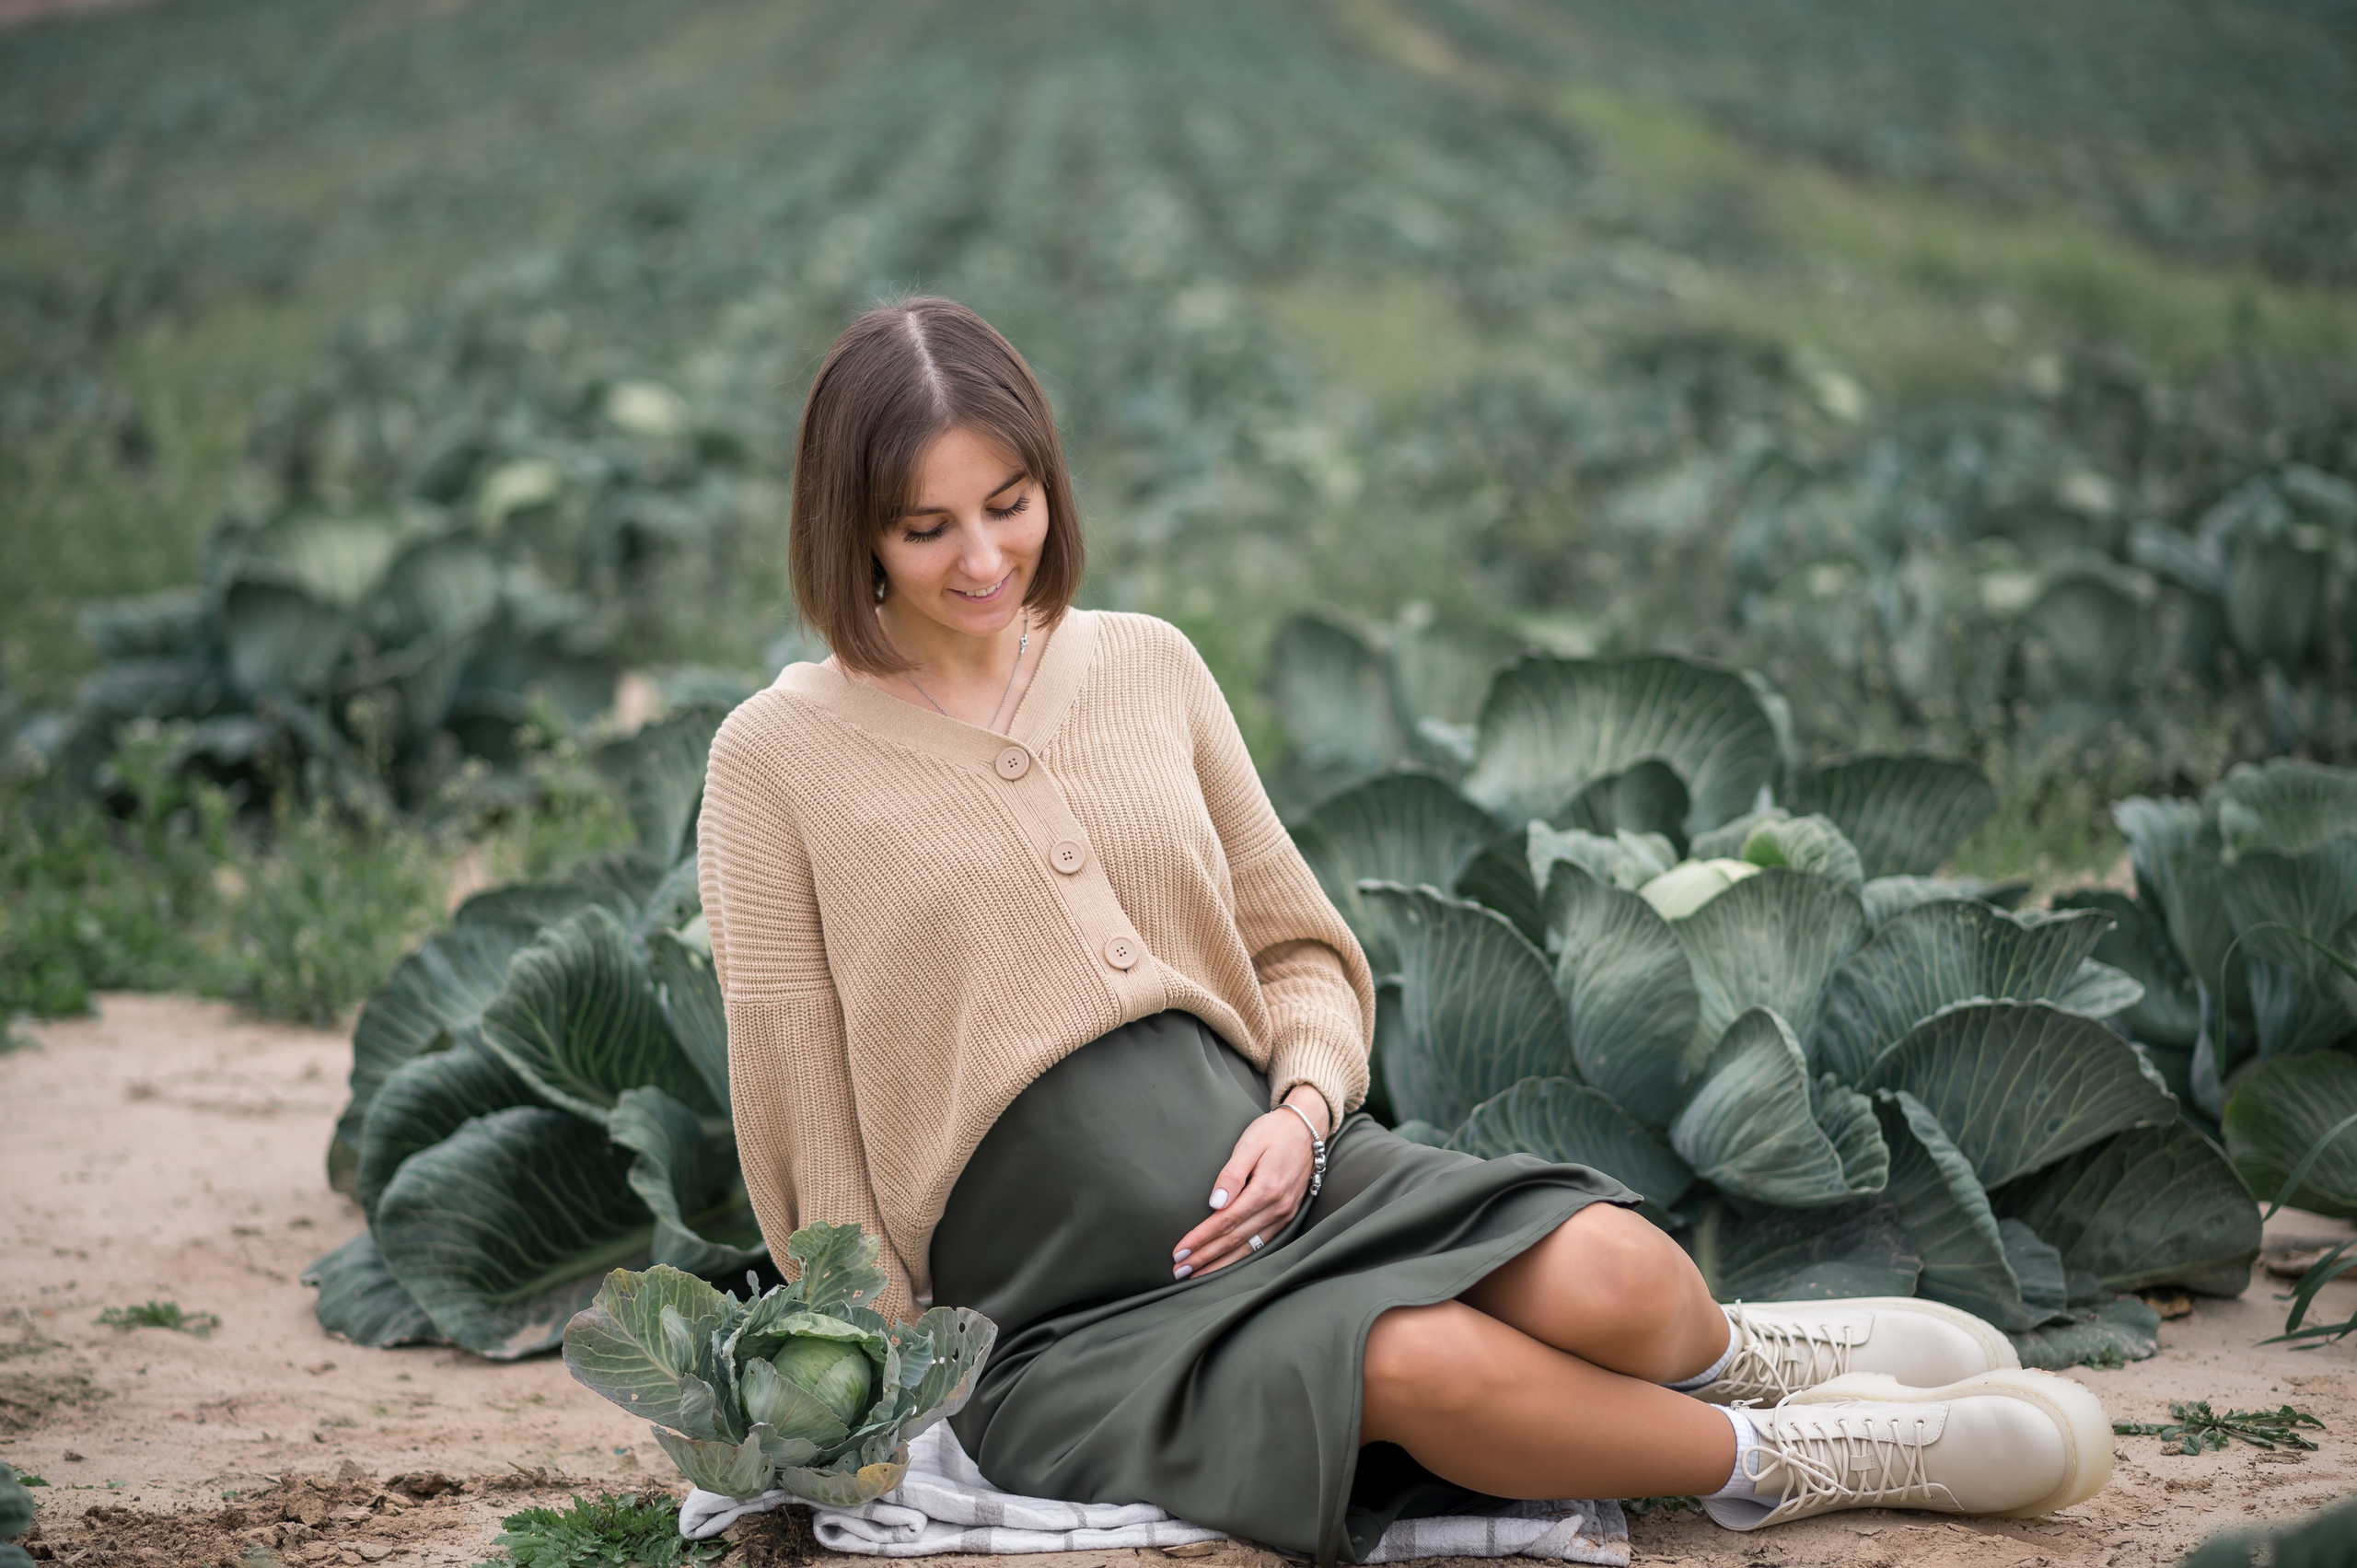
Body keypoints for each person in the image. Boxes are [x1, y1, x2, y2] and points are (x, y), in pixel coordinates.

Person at [696, 296, 2111, 1563]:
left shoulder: (1143, 664)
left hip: (1297, 1181)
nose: (986, 557)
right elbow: (800, 1114)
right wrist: (872, 1360)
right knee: (1420, 1362)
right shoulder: (774, 761)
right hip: (1065, 1316)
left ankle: (1742, 1357)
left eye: (1010, 504)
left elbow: (1300, 951)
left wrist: (1302, 1116)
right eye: (926, 527)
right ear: (852, 530)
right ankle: (1806, 1459)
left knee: (1626, 1276)